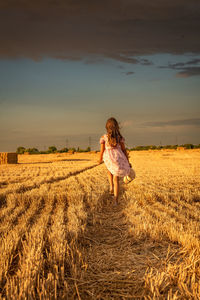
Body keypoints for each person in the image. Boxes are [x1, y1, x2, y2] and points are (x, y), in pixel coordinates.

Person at [98, 117, 131, 205]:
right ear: (116, 127)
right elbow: (124, 150)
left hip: (109, 158)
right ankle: (115, 200)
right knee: (116, 179)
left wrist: (100, 159)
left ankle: (111, 186)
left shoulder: (104, 137)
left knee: (109, 171)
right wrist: (127, 161)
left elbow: (101, 151)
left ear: (107, 127)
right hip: (118, 158)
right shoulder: (119, 137)